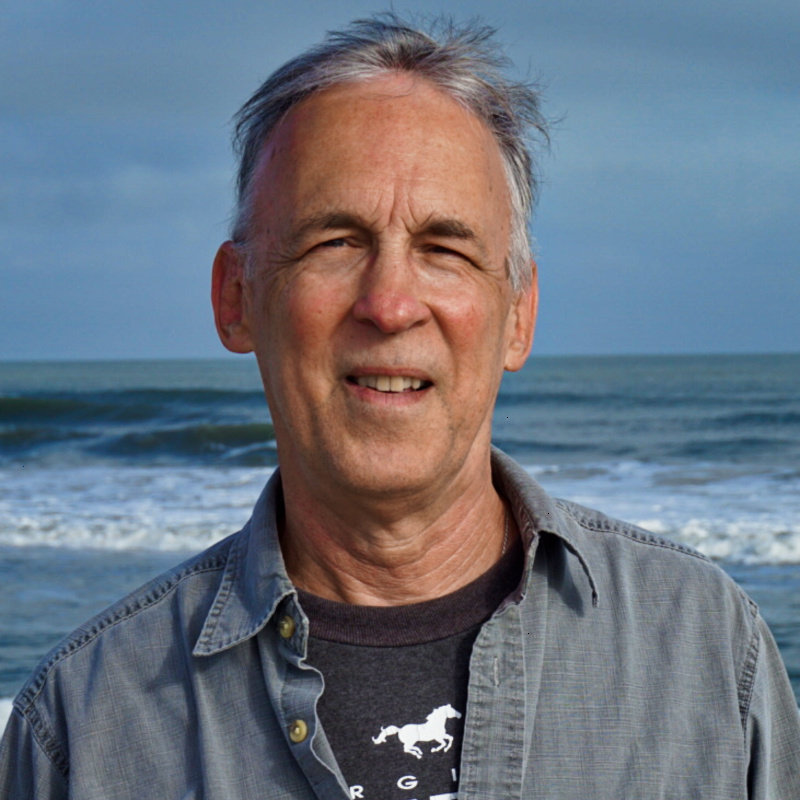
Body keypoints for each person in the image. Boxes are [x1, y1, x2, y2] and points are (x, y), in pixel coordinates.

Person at [2, 14, 798, 800]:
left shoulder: (707, 657)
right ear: (235, 298)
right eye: (335, 242)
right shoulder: (84, 726)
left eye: (444, 249)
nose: (389, 304)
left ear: (518, 316)